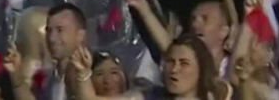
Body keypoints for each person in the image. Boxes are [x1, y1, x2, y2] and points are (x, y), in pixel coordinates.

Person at [71, 34, 224, 100]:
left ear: (201, 68)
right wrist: (83, 72)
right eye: (171, 62)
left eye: (184, 63)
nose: (174, 69)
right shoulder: (150, 96)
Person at [38, 3, 90, 100]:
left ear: (80, 35)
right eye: (48, 31)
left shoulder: (95, 76)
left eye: (60, 30)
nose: (51, 38)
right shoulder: (51, 79)